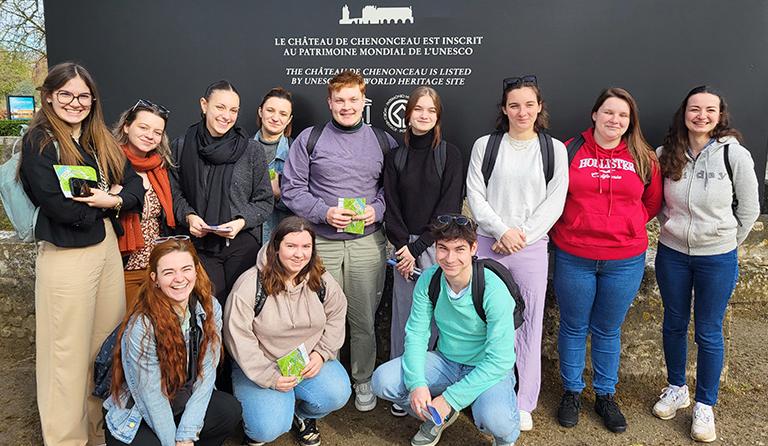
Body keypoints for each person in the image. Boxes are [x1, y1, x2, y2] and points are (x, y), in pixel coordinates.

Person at [19, 62, 144, 446]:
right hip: (65, 254)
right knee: (65, 354)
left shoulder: (99, 139)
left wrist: (113, 201)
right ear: (49, 97)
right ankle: (65, 439)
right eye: (66, 94)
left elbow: (135, 188)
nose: (75, 102)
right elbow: (58, 206)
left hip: (105, 249)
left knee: (102, 347)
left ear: (93, 100)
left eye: (83, 96)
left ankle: (96, 432)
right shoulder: (40, 141)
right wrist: (108, 202)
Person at [281, 70, 397, 412]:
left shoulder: (383, 141)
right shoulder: (310, 139)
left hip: (366, 244)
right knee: (313, 315)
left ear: (363, 101)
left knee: (363, 318)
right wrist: (323, 212)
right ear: (330, 102)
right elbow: (291, 189)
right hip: (321, 243)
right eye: (340, 100)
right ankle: (315, 379)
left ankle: (362, 378)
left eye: (353, 100)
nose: (347, 106)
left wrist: (377, 210)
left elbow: (393, 191)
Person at [549, 87, 662, 433]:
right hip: (574, 255)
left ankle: (605, 395)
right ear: (595, 115)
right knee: (573, 326)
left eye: (623, 115)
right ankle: (571, 392)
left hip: (623, 260)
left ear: (631, 121)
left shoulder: (643, 156)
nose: (615, 120)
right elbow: (553, 197)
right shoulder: (570, 150)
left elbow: (652, 202)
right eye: (609, 112)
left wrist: (625, 226)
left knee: (608, 329)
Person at [652, 86, 759, 443]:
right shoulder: (665, 154)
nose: (701, 115)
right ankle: (676, 388)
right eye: (695, 109)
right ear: (684, 113)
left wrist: (724, 241)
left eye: (709, 110)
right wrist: (672, 229)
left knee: (708, 330)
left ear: (720, 114)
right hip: (672, 254)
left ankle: (704, 404)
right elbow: (659, 204)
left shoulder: (734, 154)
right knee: (674, 323)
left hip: (717, 257)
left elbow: (749, 209)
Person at [465, 75, 568, 431]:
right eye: (514, 105)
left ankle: (524, 400)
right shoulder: (485, 146)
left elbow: (555, 201)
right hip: (488, 243)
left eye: (528, 105)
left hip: (531, 247)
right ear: (504, 109)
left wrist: (520, 236)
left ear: (539, 107)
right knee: (484, 321)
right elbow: (475, 195)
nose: (522, 112)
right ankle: (486, 392)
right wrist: (501, 231)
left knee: (529, 323)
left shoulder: (554, 150)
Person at [372, 215, 520, 446]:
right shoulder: (430, 280)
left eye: (459, 249)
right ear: (435, 248)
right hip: (446, 361)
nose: (450, 258)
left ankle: (505, 439)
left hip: (486, 366)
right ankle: (438, 417)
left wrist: (450, 398)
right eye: (443, 249)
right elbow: (417, 335)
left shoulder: (492, 289)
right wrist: (417, 384)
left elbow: (500, 360)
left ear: (473, 248)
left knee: (497, 420)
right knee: (383, 381)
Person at [223, 216, 350, 446]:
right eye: (291, 246)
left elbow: (337, 313)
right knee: (266, 429)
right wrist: (269, 377)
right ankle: (263, 419)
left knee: (337, 392)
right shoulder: (250, 284)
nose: (299, 254)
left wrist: (321, 353)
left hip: (306, 360)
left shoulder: (321, 279)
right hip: (262, 363)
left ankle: (302, 415)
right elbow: (238, 336)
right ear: (276, 247)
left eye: (306, 246)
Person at [103, 237, 242, 445]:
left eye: (186, 269)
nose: (179, 279)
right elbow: (150, 396)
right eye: (168, 272)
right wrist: (173, 442)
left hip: (180, 398)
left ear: (196, 271)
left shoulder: (210, 307)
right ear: (155, 278)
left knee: (228, 410)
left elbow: (206, 373)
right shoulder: (142, 325)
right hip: (141, 410)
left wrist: (187, 433)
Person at [383, 86, 464, 416]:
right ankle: (401, 387)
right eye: (418, 109)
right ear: (408, 114)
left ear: (438, 116)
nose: (424, 115)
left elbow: (449, 208)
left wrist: (417, 247)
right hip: (403, 248)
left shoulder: (449, 155)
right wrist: (403, 248)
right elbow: (390, 206)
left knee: (438, 318)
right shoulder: (396, 156)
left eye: (431, 110)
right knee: (406, 318)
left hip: (437, 246)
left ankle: (431, 385)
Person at [169, 79, 273, 305]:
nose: (227, 116)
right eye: (220, 107)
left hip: (242, 245)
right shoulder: (181, 146)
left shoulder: (251, 150)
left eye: (233, 110)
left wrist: (240, 222)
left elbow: (265, 201)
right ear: (204, 105)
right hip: (199, 246)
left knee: (242, 309)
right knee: (209, 309)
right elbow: (174, 193)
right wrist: (188, 216)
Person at [112, 99, 176, 308]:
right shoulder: (108, 162)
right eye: (143, 127)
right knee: (125, 323)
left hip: (156, 268)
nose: (150, 135)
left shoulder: (160, 167)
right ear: (126, 126)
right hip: (122, 267)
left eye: (157, 132)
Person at [255, 87, 295, 243]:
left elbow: (303, 204)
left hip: (281, 238)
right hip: (248, 238)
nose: (275, 118)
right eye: (270, 110)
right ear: (260, 112)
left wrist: (279, 195)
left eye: (283, 114)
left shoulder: (296, 153)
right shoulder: (242, 150)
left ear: (289, 119)